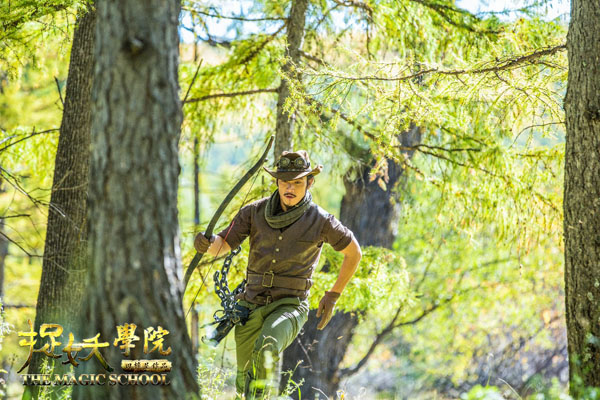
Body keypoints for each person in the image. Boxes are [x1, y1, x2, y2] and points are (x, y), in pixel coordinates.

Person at [194, 150, 362, 399]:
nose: (290, 188)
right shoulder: (254, 212)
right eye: (285, 181)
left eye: (297, 182)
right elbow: (223, 244)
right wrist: (206, 243)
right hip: (249, 305)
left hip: (290, 305)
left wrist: (334, 294)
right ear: (277, 182)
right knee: (245, 382)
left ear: (309, 182)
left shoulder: (322, 221)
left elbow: (354, 253)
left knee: (267, 345)